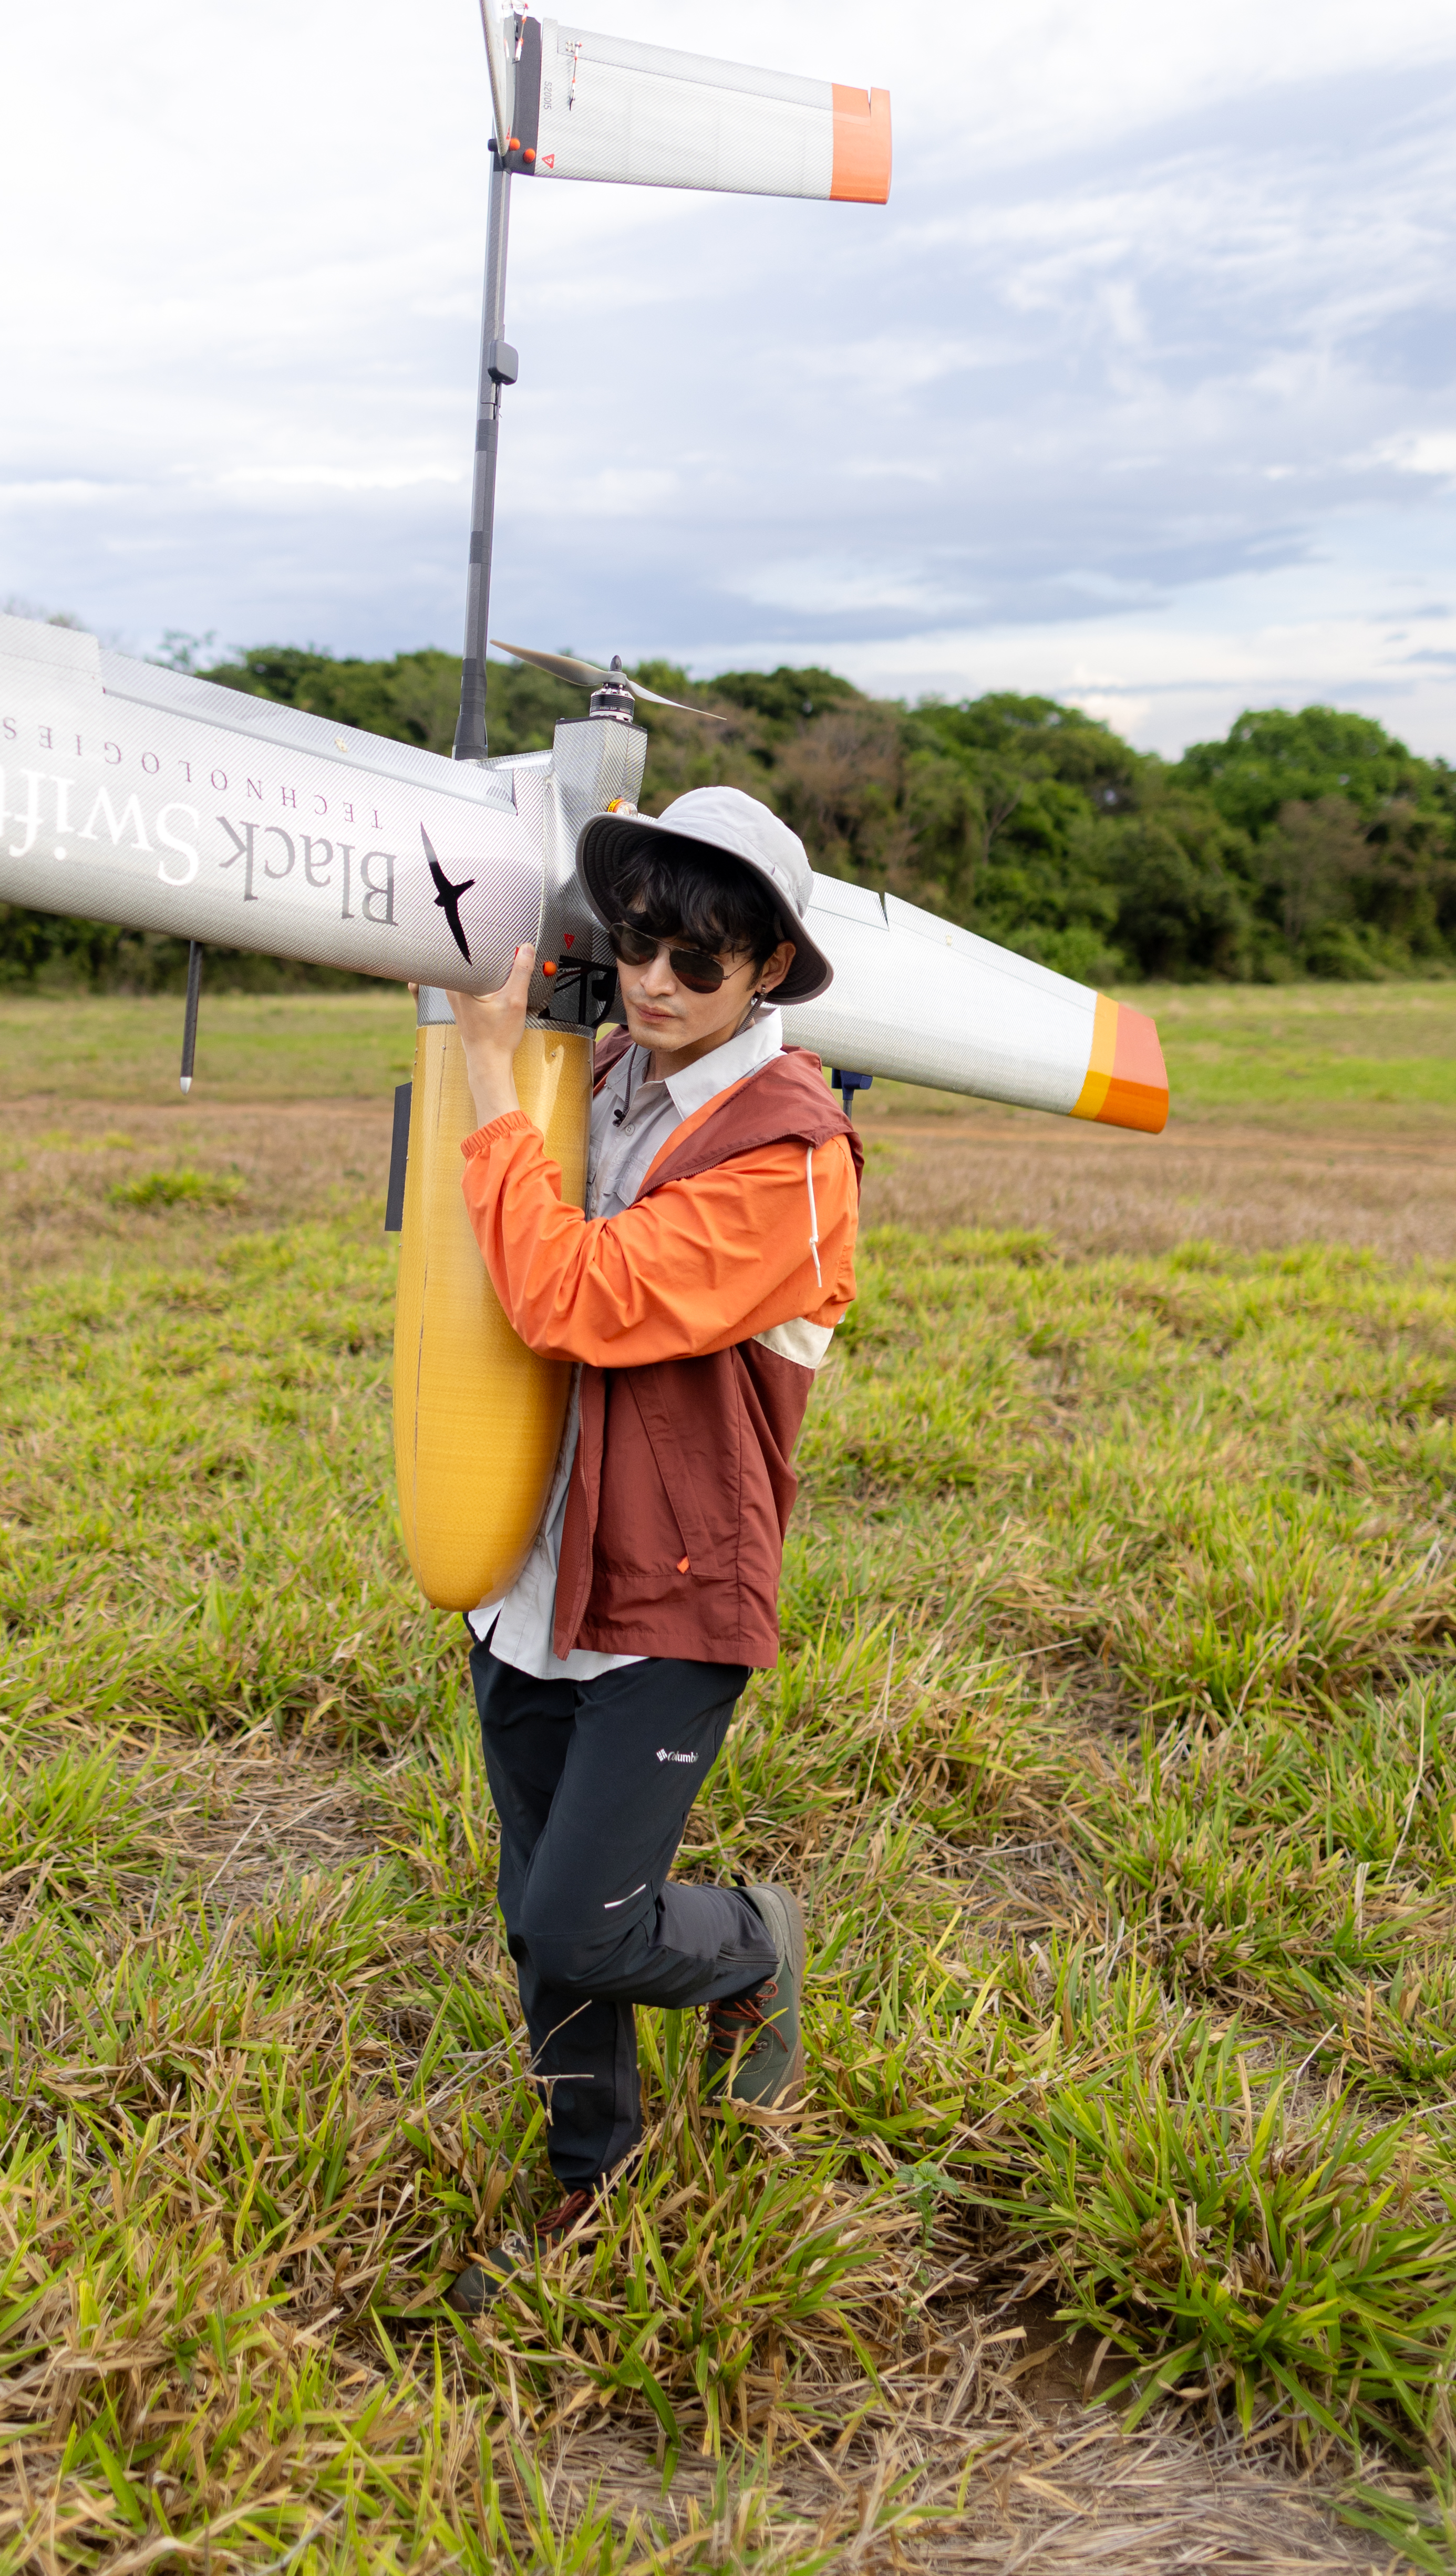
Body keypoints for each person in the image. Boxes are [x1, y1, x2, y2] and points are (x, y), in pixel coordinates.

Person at [439, 785, 864, 2309]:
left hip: (673, 1592)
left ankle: (750, 1950)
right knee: (537, 1926)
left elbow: (579, 1297)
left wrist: (490, 1084)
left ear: (765, 969)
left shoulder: (796, 1155)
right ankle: (587, 2180)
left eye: (701, 958)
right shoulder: (601, 1072)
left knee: (588, 1914)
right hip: (531, 1574)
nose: (661, 983)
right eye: (638, 946)